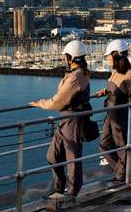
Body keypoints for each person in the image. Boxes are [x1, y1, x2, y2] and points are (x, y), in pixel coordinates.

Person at [29, 40, 93, 200]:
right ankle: (60, 187)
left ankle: (71, 192)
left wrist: (40, 103)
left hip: (72, 119)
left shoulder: (76, 76)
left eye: (66, 56)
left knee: (72, 156)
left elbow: (58, 100)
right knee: (53, 155)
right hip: (66, 118)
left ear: (71, 57)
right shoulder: (78, 73)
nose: (64, 59)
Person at [93, 39, 131, 186]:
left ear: (116, 55)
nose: (107, 58)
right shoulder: (115, 72)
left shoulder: (129, 74)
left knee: (121, 146)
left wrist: (130, 103)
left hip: (119, 114)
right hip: (110, 113)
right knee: (104, 144)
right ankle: (121, 171)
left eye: (109, 55)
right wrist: (104, 91)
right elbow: (114, 88)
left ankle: (121, 177)